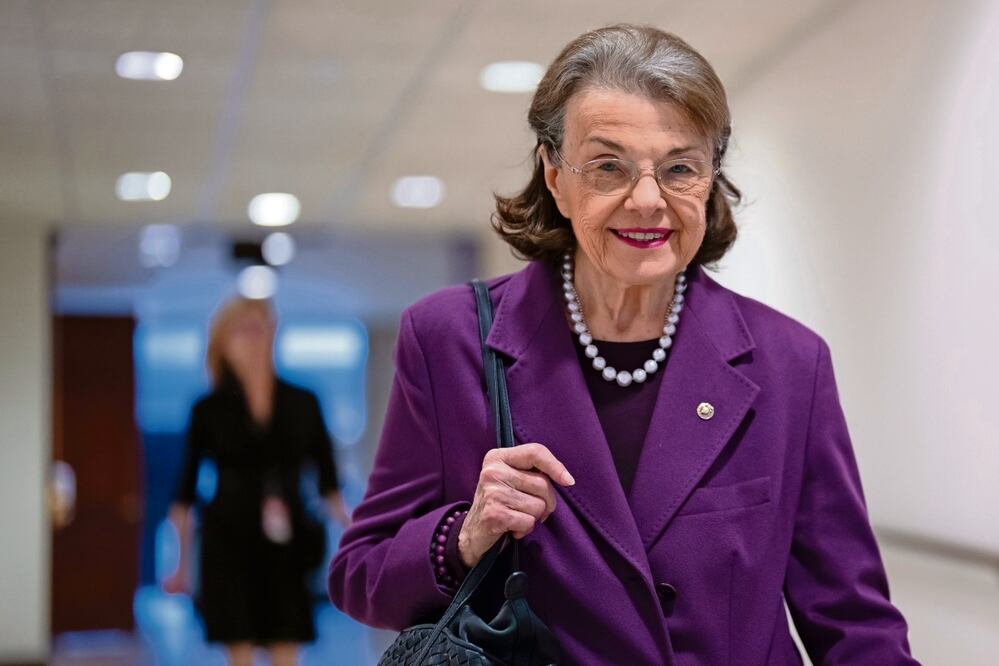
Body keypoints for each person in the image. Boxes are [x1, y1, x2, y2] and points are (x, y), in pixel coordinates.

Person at [328, 24, 917, 665]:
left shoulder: (788, 363)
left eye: (679, 168)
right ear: (555, 176)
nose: (646, 200)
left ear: (710, 179)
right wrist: (465, 534)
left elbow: (853, 623)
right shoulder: (451, 339)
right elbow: (361, 575)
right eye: (609, 166)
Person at [164, 296, 349, 666]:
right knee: (238, 646)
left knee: (287, 643)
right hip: (228, 540)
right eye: (241, 330)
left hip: (289, 540)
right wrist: (180, 566)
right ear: (223, 342)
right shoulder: (208, 409)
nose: (252, 339)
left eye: (259, 328)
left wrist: (356, 545)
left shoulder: (304, 402)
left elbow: (330, 486)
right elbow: (184, 494)